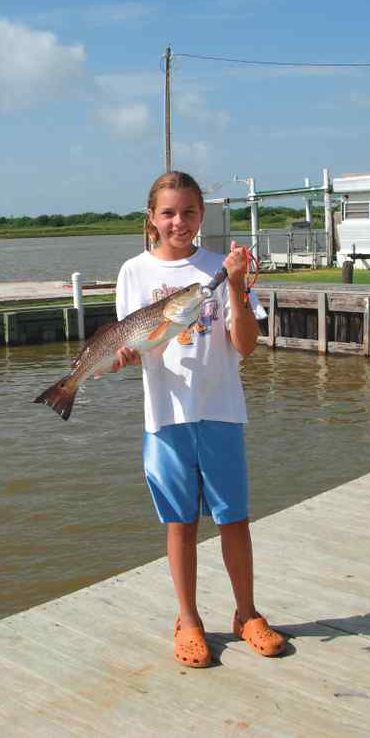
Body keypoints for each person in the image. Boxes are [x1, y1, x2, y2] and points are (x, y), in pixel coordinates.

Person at [112, 170, 286, 668]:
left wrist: (234, 287)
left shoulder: (219, 268)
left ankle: (247, 614)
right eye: (168, 213)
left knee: (234, 519)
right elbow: (135, 343)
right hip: (165, 419)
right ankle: (188, 620)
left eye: (188, 212)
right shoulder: (133, 273)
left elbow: (246, 346)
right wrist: (122, 355)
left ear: (201, 216)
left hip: (222, 412)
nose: (178, 222)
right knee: (180, 523)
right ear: (151, 219)